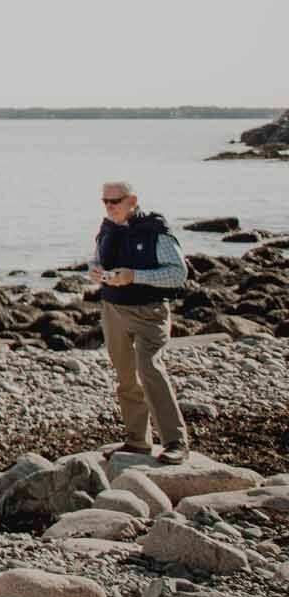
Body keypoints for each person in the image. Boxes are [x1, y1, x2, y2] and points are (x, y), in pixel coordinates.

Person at [92, 180, 191, 463]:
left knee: (150, 368)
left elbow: (177, 274)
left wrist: (134, 276)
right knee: (125, 377)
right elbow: (95, 260)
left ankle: (175, 442)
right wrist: (96, 272)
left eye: (116, 201)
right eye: (105, 202)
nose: (109, 207)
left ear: (132, 200)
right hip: (113, 310)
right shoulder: (107, 229)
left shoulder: (156, 233)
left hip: (150, 312)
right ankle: (137, 442)